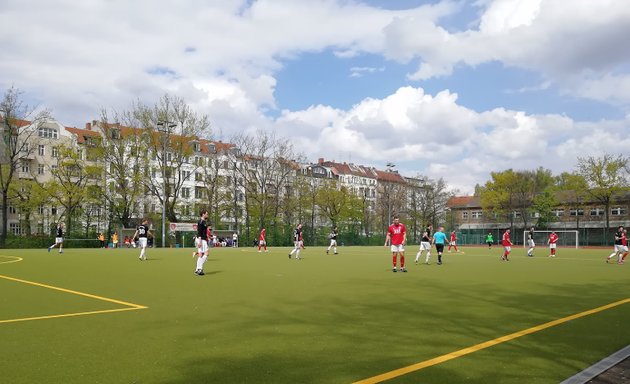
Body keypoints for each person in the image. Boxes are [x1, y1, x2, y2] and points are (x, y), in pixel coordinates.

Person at [194, 210, 209, 275]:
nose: (207, 215)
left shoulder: (204, 221)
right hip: (201, 240)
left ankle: (197, 269)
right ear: (203, 214)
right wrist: (199, 242)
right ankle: (199, 269)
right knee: (206, 253)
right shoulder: (201, 222)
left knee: (201, 255)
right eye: (206, 214)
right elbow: (199, 232)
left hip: (203, 239)